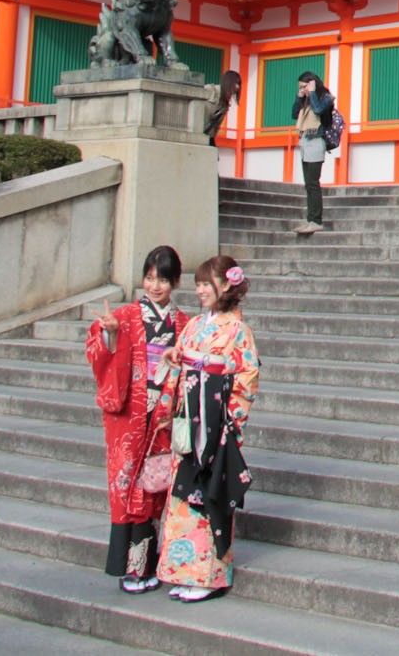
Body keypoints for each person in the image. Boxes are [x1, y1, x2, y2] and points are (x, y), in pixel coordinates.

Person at [156, 255, 261, 603]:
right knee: (183, 494)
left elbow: (247, 376)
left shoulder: (237, 330)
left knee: (208, 494)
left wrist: (231, 419)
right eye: (198, 283)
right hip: (189, 416)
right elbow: (182, 358)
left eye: (207, 283)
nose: (200, 290)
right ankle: (182, 571)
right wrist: (174, 358)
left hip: (215, 422)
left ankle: (209, 575)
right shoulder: (195, 325)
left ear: (227, 285)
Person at [88, 245, 190, 593]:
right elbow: (100, 350)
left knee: (156, 489)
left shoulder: (183, 324)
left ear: (175, 282)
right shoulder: (128, 316)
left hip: (163, 417)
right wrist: (110, 333)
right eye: (149, 278)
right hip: (131, 415)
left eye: (162, 279)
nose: (155, 286)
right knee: (128, 485)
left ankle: (152, 563)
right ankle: (131, 568)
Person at [290, 71, 335, 236]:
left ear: (313, 83)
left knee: (313, 183)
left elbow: (318, 110)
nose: (303, 89)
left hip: (316, 140)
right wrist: (299, 96)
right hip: (304, 140)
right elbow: (294, 114)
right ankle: (310, 219)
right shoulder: (306, 100)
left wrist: (313, 92)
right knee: (308, 183)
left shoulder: (326, 98)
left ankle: (316, 220)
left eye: (305, 86)